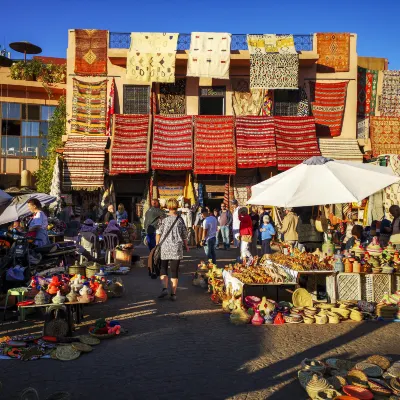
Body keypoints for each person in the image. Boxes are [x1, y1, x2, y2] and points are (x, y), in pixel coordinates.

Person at [156, 199, 189, 301]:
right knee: (174, 271)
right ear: (177, 206)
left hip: (164, 246)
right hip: (176, 247)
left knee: (163, 268)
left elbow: (158, 232)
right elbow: (184, 235)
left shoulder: (162, 219)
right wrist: (186, 245)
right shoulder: (180, 219)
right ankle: (173, 294)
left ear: (167, 206)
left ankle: (165, 288)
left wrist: (157, 245)